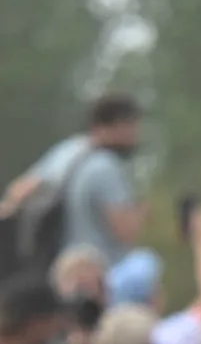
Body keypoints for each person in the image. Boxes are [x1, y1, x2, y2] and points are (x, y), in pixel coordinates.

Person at [6, 94, 148, 269]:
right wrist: (141, 213)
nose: (136, 135)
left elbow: (17, 192)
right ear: (118, 125)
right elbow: (125, 232)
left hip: (57, 268)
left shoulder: (67, 151)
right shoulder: (106, 167)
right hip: (98, 271)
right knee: (146, 265)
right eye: (132, 127)